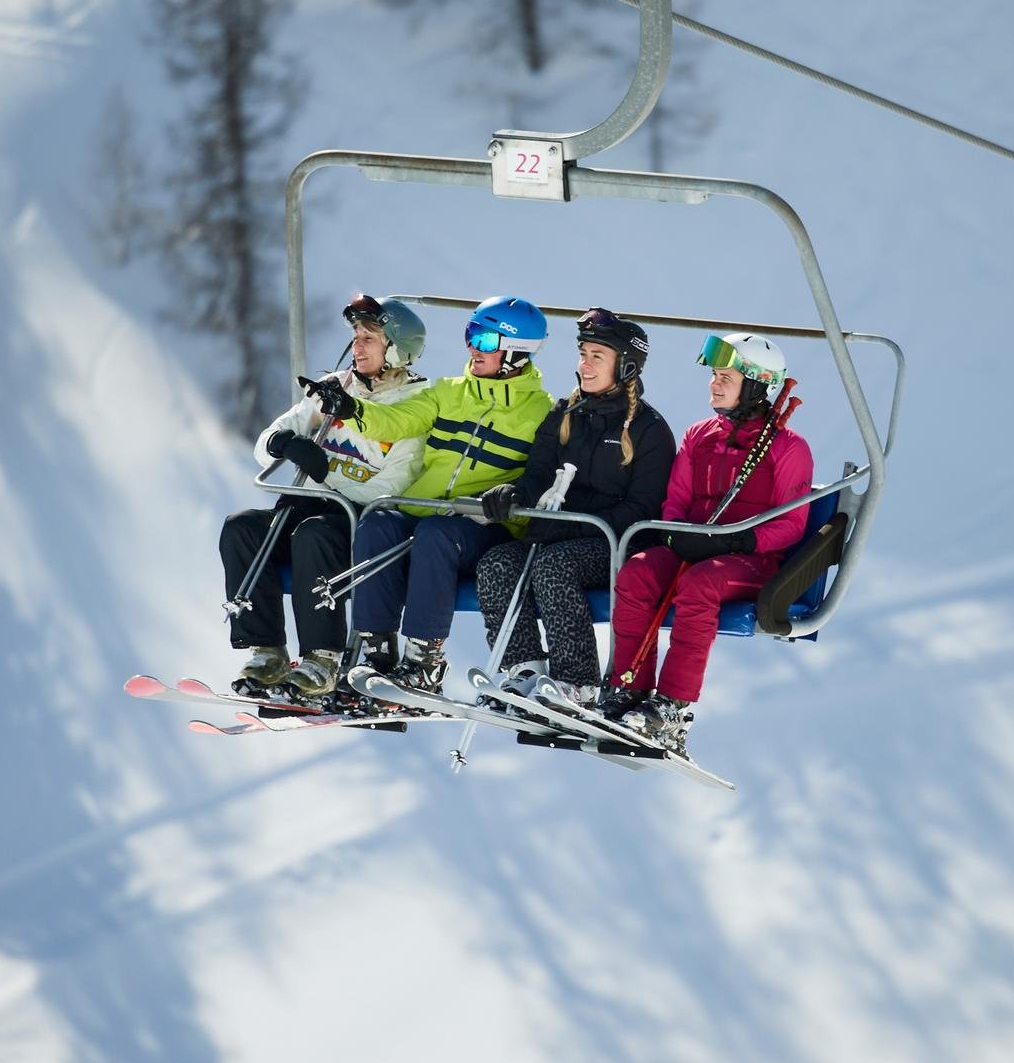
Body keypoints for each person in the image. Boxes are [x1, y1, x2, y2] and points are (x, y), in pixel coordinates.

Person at [306, 295, 553, 696]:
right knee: (378, 523)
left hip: (483, 523)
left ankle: (424, 661)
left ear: (516, 354)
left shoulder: (542, 412)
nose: (474, 347)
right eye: (471, 335)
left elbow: (544, 473)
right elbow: (397, 420)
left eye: (487, 341)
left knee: (437, 534)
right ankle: (377, 653)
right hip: (425, 509)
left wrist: (516, 493)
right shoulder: (448, 392)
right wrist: (352, 409)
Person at [604, 331, 812, 754]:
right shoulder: (699, 434)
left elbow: (790, 524)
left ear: (756, 387)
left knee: (701, 584)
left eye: (726, 377)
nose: (714, 384)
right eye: (714, 375)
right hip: (694, 549)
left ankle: (672, 706)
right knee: (639, 571)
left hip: (752, 561)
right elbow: (676, 500)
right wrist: (677, 534)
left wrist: (735, 542)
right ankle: (628, 690)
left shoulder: (788, 448)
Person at [219, 294, 429, 701]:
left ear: (398, 349)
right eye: (356, 334)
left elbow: (390, 488)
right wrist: (284, 443)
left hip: (356, 520)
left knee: (312, 534)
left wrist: (325, 470)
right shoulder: (334, 389)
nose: (358, 344)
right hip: (305, 507)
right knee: (241, 529)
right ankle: (267, 651)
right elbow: (264, 445)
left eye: (370, 336)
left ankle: (322, 659)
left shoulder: (415, 406)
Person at [471, 307, 673, 712]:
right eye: (583, 353)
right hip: (558, 535)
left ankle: (576, 682)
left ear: (626, 366)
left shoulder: (649, 430)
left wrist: (574, 529)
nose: (585, 364)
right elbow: (538, 477)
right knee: (496, 563)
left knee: (554, 566)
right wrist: (514, 495)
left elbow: (643, 509)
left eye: (597, 356)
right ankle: (522, 668)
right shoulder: (563, 414)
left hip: (617, 545)